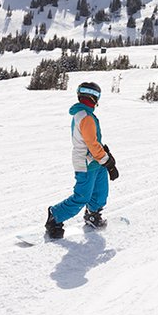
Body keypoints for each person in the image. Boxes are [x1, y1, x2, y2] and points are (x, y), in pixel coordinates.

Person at [46, 81, 115, 238]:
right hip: (86, 163)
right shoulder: (85, 116)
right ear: (94, 98)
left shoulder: (86, 115)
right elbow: (91, 144)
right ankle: (54, 216)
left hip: (95, 161)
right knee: (82, 196)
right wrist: (107, 161)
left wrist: (106, 156)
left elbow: (94, 141)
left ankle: (93, 214)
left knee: (100, 191)